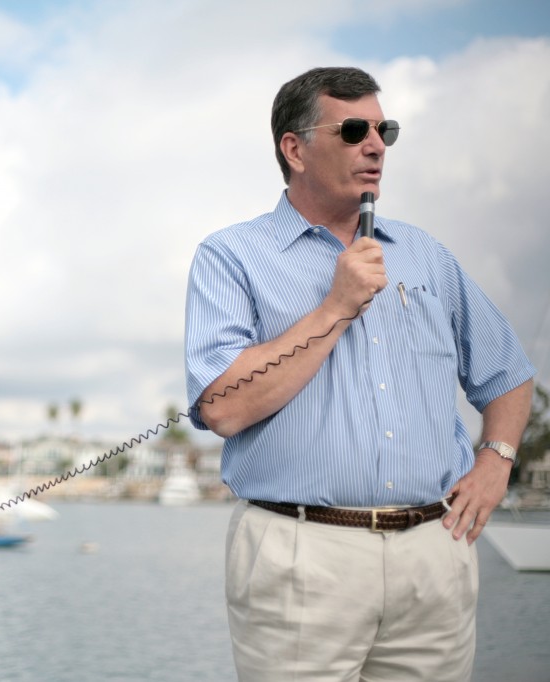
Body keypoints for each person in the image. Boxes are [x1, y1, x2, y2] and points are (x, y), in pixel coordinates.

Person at [184, 66, 535, 681]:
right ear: (294, 149)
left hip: (436, 551)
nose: (375, 146)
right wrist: (336, 306)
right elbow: (222, 408)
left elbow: (508, 373)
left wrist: (496, 460)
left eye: (384, 130)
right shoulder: (231, 256)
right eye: (352, 130)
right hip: (302, 555)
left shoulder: (427, 255)